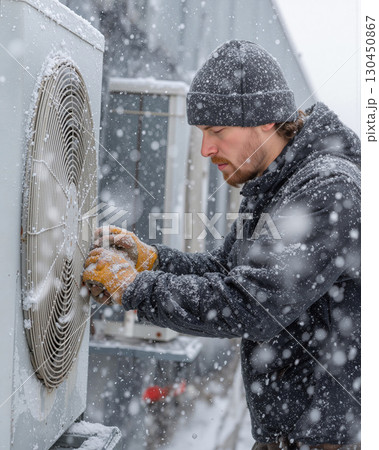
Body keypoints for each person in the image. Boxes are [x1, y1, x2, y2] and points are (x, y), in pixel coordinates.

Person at [83, 40, 361, 449]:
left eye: (217, 131)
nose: (205, 149)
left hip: (326, 440)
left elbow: (253, 304)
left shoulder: (328, 189)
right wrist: (152, 261)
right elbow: (227, 271)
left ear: (266, 121)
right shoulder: (273, 182)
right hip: (289, 436)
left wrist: (135, 287)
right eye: (201, 132)